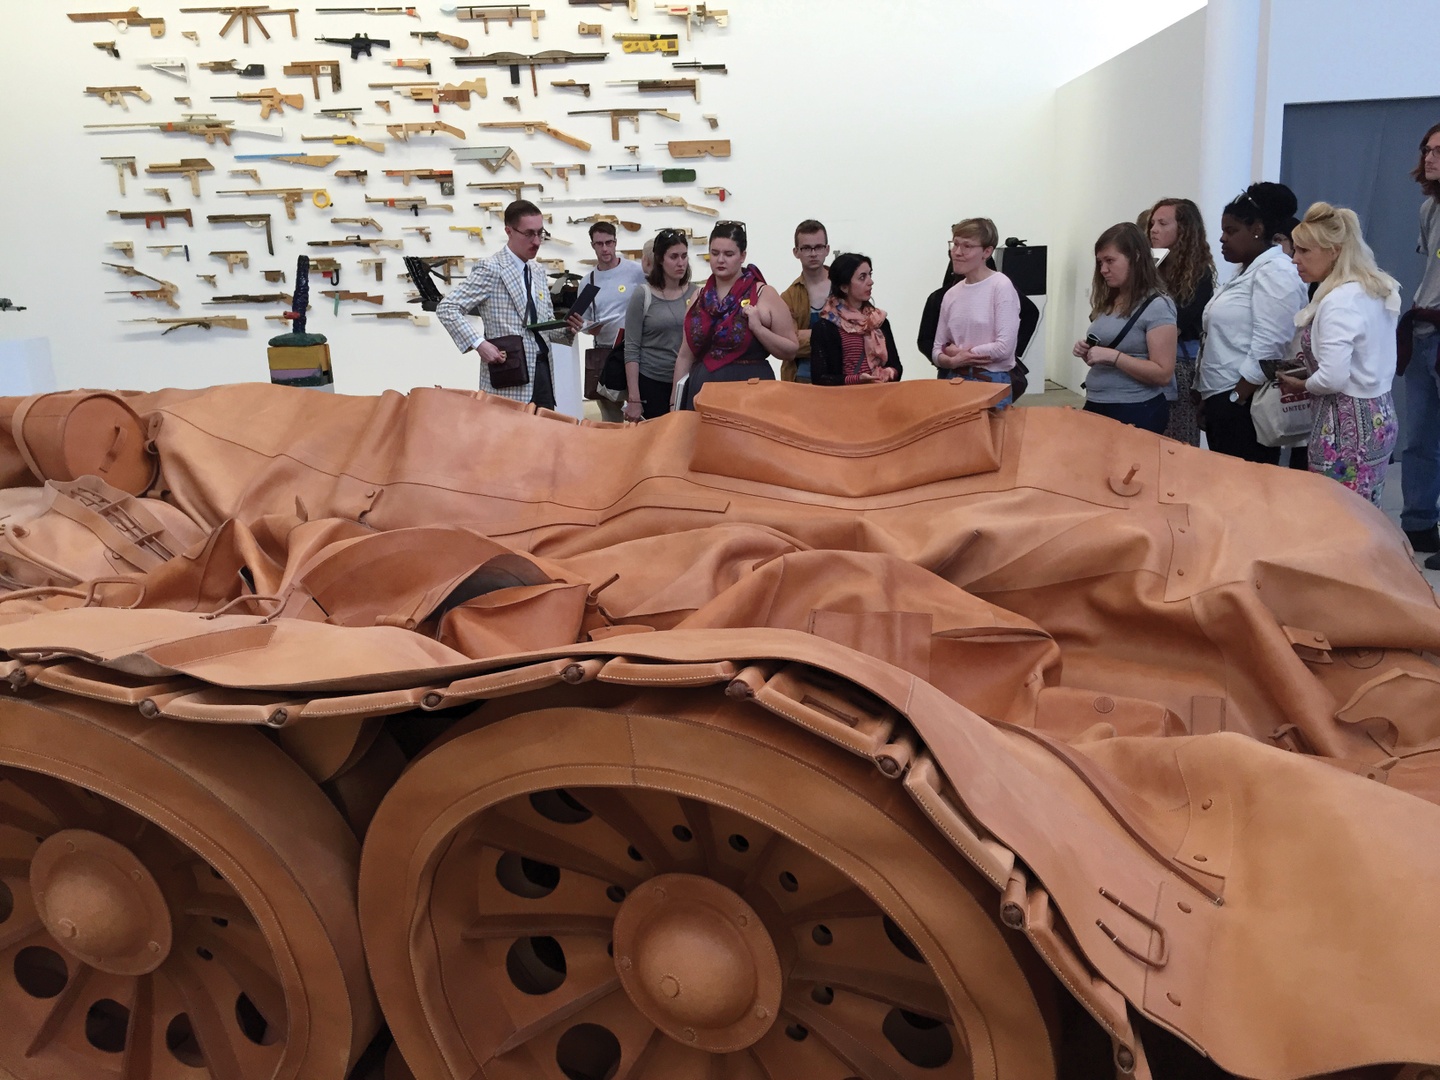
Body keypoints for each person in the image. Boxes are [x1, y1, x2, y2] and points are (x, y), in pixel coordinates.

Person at [1275, 203, 1400, 508]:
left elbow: (1333, 377)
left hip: (1345, 431)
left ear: (1334, 251)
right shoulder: (1375, 288)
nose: (1294, 259)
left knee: (1338, 518)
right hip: (1379, 415)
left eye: (1304, 251)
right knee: (1366, 515)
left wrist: (1301, 384)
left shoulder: (1338, 302)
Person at [1194, 182, 1309, 463]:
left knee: (1244, 492)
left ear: (1257, 229)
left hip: (1243, 400)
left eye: (1231, 231)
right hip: (1223, 395)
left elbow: (1272, 341)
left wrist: (1237, 396)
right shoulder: (1248, 271)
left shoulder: (1276, 270)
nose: (1222, 238)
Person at [437, 200, 565, 408]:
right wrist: (480, 344)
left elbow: (544, 325)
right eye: (529, 233)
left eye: (540, 233)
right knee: (508, 439)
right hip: (509, 373)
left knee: (545, 438)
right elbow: (447, 308)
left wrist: (570, 328)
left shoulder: (538, 271)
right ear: (509, 231)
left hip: (543, 372)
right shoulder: (491, 268)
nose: (536, 241)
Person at [672, 221, 798, 410]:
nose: (720, 260)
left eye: (728, 254)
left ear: (742, 256)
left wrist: (758, 329)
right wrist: (675, 401)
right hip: (703, 390)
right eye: (714, 253)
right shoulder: (699, 296)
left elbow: (790, 349)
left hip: (749, 390)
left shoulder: (764, 293)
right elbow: (685, 356)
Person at [1072, 222, 1178, 433]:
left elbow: (1163, 373)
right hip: (1098, 401)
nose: (1103, 269)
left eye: (1110, 261)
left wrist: (1113, 357)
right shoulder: (1112, 299)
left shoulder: (1157, 305)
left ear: (1136, 257)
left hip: (1134, 408)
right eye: (1100, 262)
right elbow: (1112, 355)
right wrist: (1089, 353)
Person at [1399, 122, 1440, 554]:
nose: (1429, 158)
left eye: (1439, 151)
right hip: (1424, 329)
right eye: (1426, 149)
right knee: (1420, 438)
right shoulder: (1429, 210)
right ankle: (1418, 523)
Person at [931, 218, 1021, 406]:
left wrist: (961, 354)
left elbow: (1004, 348)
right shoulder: (951, 294)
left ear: (987, 252)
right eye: (955, 244)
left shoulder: (1000, 286)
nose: (957, 252)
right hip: (954, 382)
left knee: (991, 436)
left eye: (967, 246)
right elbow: (937, 349)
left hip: (990, 384)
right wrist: (953, 362)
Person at [1148, 198, 1215, 446]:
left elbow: (1173, 326)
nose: (1153, 229)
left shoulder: (1198, 274)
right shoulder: (1150, 266)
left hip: (1178, 366)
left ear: (1184, 230)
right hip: (1146, 363)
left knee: (1176, 445)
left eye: (1162, 223)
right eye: (1152, 223)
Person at [567, 221, 647, 421]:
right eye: (599, 244)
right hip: (606, 352)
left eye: (608, 243)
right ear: (593, 245)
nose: (605, 248)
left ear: (615, 242)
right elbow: (580, 320)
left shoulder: (636, 272)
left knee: (641, 412)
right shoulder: (588, 281)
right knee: (611, 418)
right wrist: (589, 328)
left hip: (636, 350)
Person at [622, 228, 697, 421]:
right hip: (652, 382)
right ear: (660, 259)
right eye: (673, 257)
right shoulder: (643, 294)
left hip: (687, 382)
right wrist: (634, 398)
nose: (680, 263)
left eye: (684, 256)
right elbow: (631, 347)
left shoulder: (696, 294)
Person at [809, 252, 901, 386]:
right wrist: (856, 380)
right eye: (862, 277)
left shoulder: (879, 320)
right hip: (846, 400)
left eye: (870, 275)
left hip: (880, 397)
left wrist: (890, 372)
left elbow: (896, 365)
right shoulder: (826, 326)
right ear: (844, 287)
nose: (870, 282)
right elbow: (820, 378)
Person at [780, 219, 831, 383]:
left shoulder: (844, 288)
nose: (813, 253)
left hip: (842, 379)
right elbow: (789, 345)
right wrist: (832, 337)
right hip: (801, 380)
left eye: (818, 247)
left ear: (827, 249)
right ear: (796, 252)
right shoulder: (788, 297)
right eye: (807, 248)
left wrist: (806, 336)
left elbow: (856, 337)